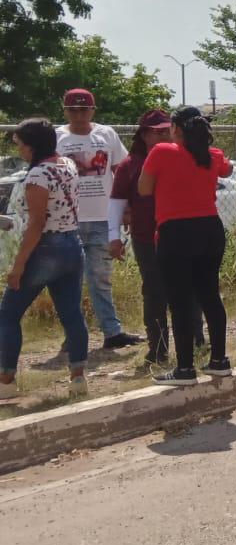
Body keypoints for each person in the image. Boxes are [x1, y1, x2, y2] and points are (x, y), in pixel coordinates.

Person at [139, 107, 233, 384]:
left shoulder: (162, 152)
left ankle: (185, 369)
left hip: (176, 232)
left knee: (179, 300)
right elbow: (226, 169)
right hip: (210, 229)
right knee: (210, 296)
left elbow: (144, 189)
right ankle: (219, 360)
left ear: (177, 128)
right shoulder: (212, 155)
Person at [0, 120, 90, 400]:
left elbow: (37, 224)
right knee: (71, 313)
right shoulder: (67, 164)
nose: (20, 150)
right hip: (72, 244)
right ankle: (78, 377)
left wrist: (18, 267)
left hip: (46, 248)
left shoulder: (37, 175)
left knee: (8, 314)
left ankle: (6, 381)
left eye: (20, 144)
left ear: (32, 145)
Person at [108, 110, 203, 369]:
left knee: (189, 289)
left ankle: (198, 343)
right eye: (155, 131)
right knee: (154, 293)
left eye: (165, 130)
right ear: (144, 134)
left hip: (182, 233)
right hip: (146, 237)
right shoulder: (130, 165)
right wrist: (113, 236)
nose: (161, 134)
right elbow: (117, 202)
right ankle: (158, 349)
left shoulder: (183, 156)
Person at [55, 88, 141, 351]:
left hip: (103, 218)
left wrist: (126, 209)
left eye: (84, 109)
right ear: (65, 110)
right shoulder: (57, 137)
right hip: (69, 221)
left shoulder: (106, 135)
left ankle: (111, 331)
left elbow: (122, 172)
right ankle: (74, 334)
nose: (79, 114)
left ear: (93, 110)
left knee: (100, 277)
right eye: (73, 109)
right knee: (68, 280)